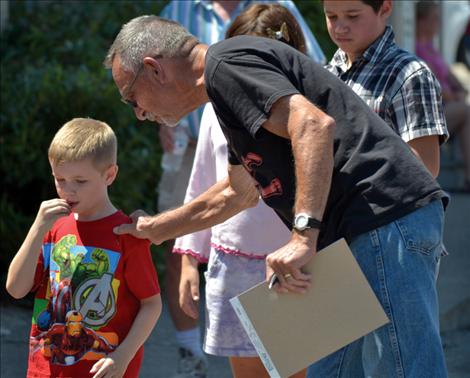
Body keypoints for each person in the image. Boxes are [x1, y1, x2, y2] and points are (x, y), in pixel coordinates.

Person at [105, 14, 449, 377]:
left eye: (132, 99)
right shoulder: (224, 91)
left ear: (154, 69)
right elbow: (237, 193)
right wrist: (158, 228)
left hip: (383, 217)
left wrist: (303, 235)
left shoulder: (225, 64)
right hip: (361, 231)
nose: (141, 114)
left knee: (402, 369)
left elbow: (312, 125)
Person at [156, 1, 325, 376]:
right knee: (246, 370)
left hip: (296, 266)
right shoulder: (219, 115)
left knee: (295, 368)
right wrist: (187, 261)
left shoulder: (305, 120)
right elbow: (201, 188)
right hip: (235, 264)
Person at [6, 118, 162, 378]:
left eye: (80, 181)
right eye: (60, 179)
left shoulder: (126, 234)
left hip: (102, 371)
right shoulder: (52, 226)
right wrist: (37, 229)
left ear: (109, 175)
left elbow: (152, 304)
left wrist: (123, 355)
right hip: (46, 370)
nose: (68, 190)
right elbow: (16, 288)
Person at [323, 0, 448, 179]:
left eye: (353, 16)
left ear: (385, 8)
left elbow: (425, 167)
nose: (340, 28)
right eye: (331, 17)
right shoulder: (327, 73)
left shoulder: (410, 75)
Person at [416, 0, 470, 191]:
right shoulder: (417, 49)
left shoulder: (431, 46)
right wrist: (455, 97)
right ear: (422, 21)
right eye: (435, 19)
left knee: (466, 113)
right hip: (434, 112)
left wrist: (461, 88)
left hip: (448, 105)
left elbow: (448, 73)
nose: (439, 23)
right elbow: (434, 85)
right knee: (466, 112)